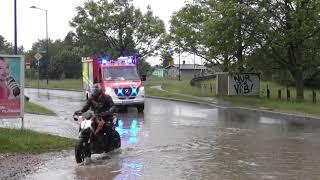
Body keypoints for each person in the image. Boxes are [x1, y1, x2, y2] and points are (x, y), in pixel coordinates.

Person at [75, 83, 116, 150]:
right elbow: (86, 107)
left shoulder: (107, 97)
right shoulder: (91, 98)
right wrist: (80, 111)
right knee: (85, 125)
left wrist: (109, 112)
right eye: (94, 90)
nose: (95, 92)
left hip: (106, 117)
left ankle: (109, 147)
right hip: (95, 117)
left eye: (96, 91)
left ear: (100, 91)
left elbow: (112, 106)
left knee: (108, 128)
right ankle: (86, 139)